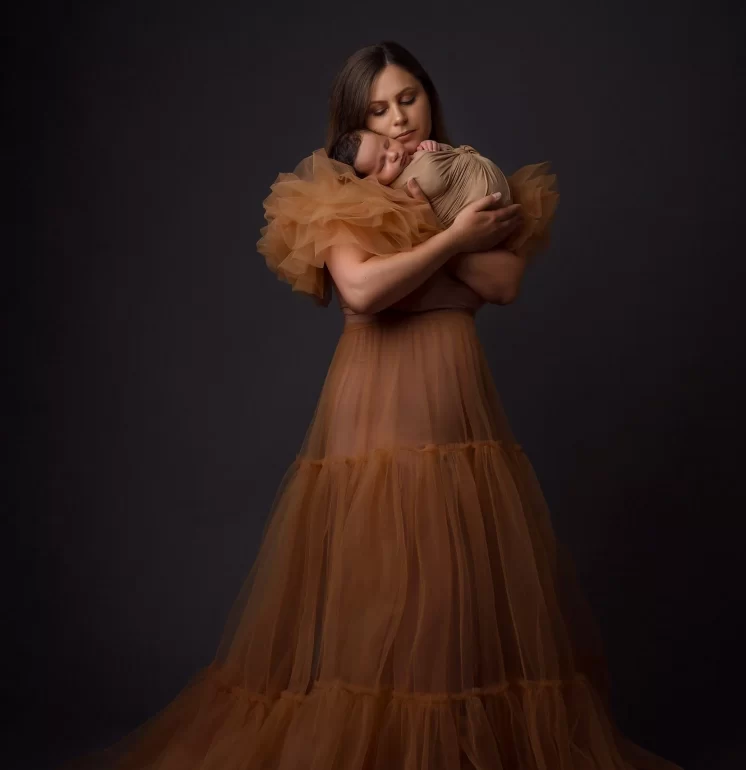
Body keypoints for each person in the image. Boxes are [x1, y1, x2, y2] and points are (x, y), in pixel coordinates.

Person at [61, 41, 684, 770]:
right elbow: (362, 290)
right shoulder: (335, 195)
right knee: (384, 584)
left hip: (453, 395)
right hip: (379, 395)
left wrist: (424, 255)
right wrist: (453, 241)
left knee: (453, 591)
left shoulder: (464, 176)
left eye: (408, 99)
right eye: (378, 109)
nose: (397, 122)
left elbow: (505, 282)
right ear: (353, 122)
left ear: (429, 98)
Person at [327, 128, 559, 259]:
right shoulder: (394, 196)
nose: (393, 156)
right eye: (381, 165)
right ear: (371, 184)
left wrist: (434, 149)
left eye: (387, 144)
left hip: (499, 214)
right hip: (476, 231)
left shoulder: (412, 155)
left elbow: (448, 164)